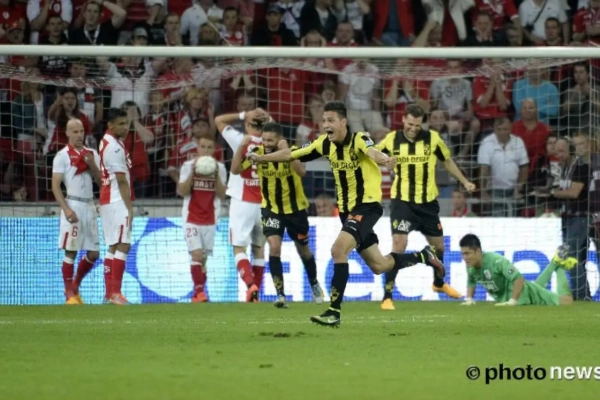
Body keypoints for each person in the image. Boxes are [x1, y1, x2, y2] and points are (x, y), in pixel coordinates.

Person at [248, 101, 445, 327]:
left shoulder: (358, 139)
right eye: (324, 121)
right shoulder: (324, 144)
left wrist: (385, 159)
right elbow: (291, 154)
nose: (326, 125)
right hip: (347, 212)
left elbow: (373, 152)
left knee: (338, 250)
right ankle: (423, 256)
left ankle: (334, 311)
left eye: (331, 120)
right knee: (379, 265)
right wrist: (261, 158)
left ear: (343, 122)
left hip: (366, 207)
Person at [376, 104, 476, 310]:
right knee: (399, 245)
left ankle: (438, 284)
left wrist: (464, 181)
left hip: (428, 203)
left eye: (417, 125)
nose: (413, 128)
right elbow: (373, 154)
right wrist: (384, 161)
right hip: (402, 202)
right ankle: (387, 296)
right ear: (403, 119)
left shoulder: (433, 138)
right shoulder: (392, 139)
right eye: (410, 124)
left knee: (439, 247)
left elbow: (447, 161)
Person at [232, 122, 324, 308]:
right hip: (271, 209)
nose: (266, 144)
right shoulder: (257, 152)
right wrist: (241, 147)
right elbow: (235, 170)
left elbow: (301, 171)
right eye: (264, 140)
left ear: (280, 139)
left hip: (295, 210)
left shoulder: (293, 151)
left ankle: (314, 283)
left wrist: (286, 150)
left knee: (303, 250)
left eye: (270, 140)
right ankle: (280, 295)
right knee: (274, 246)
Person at [214, 108, 269, 302]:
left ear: (247, 125)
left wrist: (243, 114)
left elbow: (218, 120)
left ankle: (250, 285)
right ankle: (256, 294)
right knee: (259, 248)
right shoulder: (272, 142)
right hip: (264, 203)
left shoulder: (240, 140)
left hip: (242, 202)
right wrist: (266, 117)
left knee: (239, 248)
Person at [51, 119, 101, 305]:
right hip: (73, 204)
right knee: (71, 250)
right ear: (67, 133)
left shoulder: (92, 154)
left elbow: (102, 182)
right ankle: (69, 294)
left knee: (94, 253)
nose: (80, 135)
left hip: (90, 205)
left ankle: (75, 286)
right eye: (75, 132)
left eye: (81, 131)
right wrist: (66, 209)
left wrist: (92, 165)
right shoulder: (62, 156)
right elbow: (55, 185)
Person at [459, 233, 575, 306]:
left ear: (478, 251)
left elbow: (519, 279)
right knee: (536, 286)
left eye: (467, 253)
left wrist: (513, 300)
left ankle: (559, 265)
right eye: (463, 254)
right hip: (514, 294)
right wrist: (469, 298)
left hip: (522, 294)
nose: (464, 258)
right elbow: (471, 281)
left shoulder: (496, 261)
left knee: (567, 301)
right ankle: (554, 263)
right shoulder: (470, 265)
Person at [177, 135, 227, 303]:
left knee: (203, 259)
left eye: (209, 147)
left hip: (210, 218)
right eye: (203, 147)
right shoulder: (187, 166)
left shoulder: (220, 168)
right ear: (197, 148)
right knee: (196, 254)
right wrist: (193, 172)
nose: (205, 150)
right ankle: (199, 292)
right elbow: (182, 192)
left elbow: (222, 195)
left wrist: (216, 175)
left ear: (214, 150)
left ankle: (197, 293)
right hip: (191, 217)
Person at [98, 109, 134, 305]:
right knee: (123, 244)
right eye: (121, 124)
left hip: (108, 199)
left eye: (126, 123)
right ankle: (116, 293)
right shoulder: (115, 148)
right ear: (110, 125)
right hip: (117, 199)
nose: (125, 127)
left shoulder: (108, 141)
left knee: (113, 245)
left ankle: (108, 294)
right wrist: (129, 208)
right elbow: (121, 180)